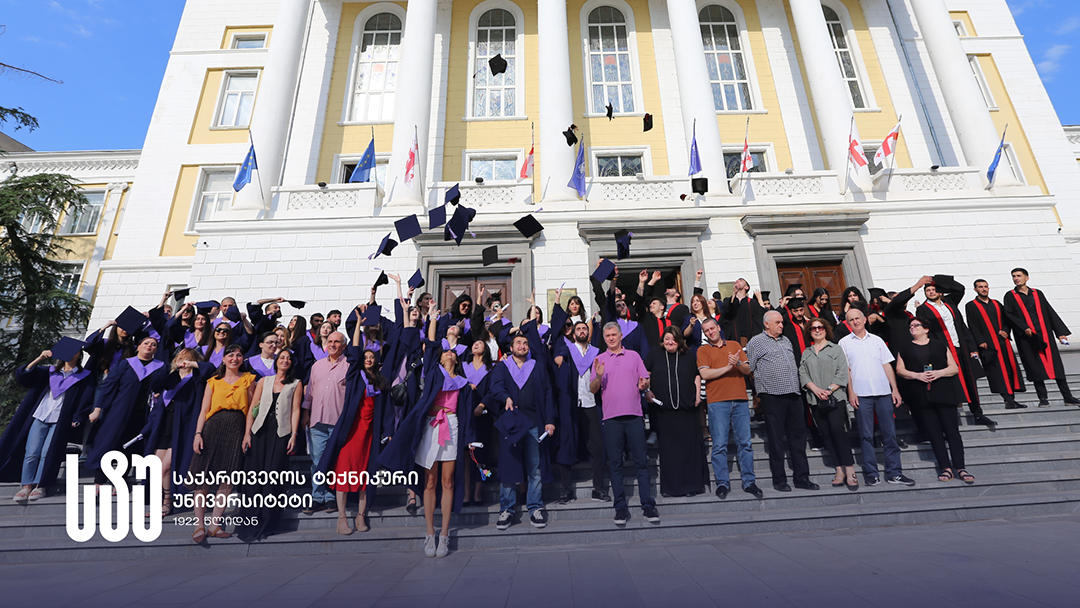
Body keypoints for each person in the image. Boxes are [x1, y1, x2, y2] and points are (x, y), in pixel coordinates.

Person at [379, 340, 475, 558]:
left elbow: (467, 413)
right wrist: (432, 318)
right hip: (432, 425)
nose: (449, 354)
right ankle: (430, 532)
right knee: (430, 481)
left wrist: (470, 437)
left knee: (448, 481)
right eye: (446, 352)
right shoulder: (434, 374)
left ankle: (444, 534)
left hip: (451, 425)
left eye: (453, 352)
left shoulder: (462, 382)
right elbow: (430, 348)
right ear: (440, 358)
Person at [1, 341, 95, 502]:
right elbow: (24, 375)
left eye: (74, 351)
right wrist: (39, 358)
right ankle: (26, 486)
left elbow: (85, 399)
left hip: (60, 419)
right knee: (32, 452)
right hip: (41, 415)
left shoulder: (83, 376)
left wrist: (77, 417)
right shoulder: (49, 372)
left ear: (79, 354)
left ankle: (40, 485)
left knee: (47, 453)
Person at [590, 322, 659, 526]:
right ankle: (620, 508)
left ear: (621, 336)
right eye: (607, 335)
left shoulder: (634, 356)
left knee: (641, 462)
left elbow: (644, 380)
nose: (611, 338)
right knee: (615, 464)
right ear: (604, 338)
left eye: (614, 334)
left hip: (634, 415)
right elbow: (593, 389)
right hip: (611, 418)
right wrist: (600, 375)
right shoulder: (599, 360)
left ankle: (648, 505)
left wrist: (645, 385)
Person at [838, 308, 915, 487]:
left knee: (890, 434)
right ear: (848, 323)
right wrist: (851, 392)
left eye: (858, 318)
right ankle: (871, 474)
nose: (855, 322)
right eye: (851, 320)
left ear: (865, 319)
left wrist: (894, 389)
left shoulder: (877, 340)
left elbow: (887, 365)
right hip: (861, 395)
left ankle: (894, 473)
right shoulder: (843, 343)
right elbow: (846, 371)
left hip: (883, 393)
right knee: (866, 436)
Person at [189, 344, 257, 543]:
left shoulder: (249, 380)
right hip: (212, 428)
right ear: (224, 359)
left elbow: (252, 410)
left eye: (238, 355)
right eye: (231, 355)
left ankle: (215, 524)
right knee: (203, 478)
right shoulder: (213, 382)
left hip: (236, 428)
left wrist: (247, 435)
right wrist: (197, 434)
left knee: (227, 479)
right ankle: (199, 524)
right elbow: (204, 410)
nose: (235, 358)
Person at [489, 333, 556, 531]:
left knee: (534, 467)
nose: (522, 345)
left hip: (534, 422)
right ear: (511, 348)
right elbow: (495, 387)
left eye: (525, 343)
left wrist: (550, 420)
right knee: (509, 465)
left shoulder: (537, 366)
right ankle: (507, 509)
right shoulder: (502, 366)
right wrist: (505, 397)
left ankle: (535, 507)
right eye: (518, 342)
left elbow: (547, 393)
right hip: (511, 422)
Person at [895, 318, 974, 484]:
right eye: (910, 326)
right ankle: (945, 467)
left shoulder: (939, 345)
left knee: (952, 432)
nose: (912, 328)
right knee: (934, 434)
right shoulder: (905, 348)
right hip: (921, 396)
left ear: (926, 329)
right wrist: (917, 375)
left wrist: (939, 373)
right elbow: (900, 370)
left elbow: (954, 368)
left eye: (916, 325)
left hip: (944, 393)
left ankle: (960, 467)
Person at [746, 311, 818, 492]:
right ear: (766, 324)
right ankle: (779, 480)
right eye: (777, 322)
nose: (781, 325)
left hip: (793, 394)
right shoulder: (756, 342)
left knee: (798, 438)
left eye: (782, 322)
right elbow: (750, 367)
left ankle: (802, 478)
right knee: (776, 440)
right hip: (772, 396)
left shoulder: (786, 340)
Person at [236, 348, 303, 541]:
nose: (285, 360)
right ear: (276, 361)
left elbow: (295, 410)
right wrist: (247, 434)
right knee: (254, 477)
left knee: (273, 477)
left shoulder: (296, 383)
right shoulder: (263, 381)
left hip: (280, 432)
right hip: (259, 432)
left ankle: (268, 522)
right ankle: (251, 522)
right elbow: (252, 409)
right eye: (282, 357)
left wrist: (293, 435)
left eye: (288, 358)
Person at [321, 348, 389, 537]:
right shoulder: (355, 376)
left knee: (365, 476)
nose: (368, 359)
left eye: (371, 357)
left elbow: (386, 410)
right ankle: (342, 518)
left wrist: (388, 431)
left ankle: (361, 515)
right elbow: (355, 353)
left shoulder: (381, 382)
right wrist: (359, 323)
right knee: (344, 474)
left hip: (370, 435)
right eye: (365, 357)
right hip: (351, 433)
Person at [914, 275, 996, 427]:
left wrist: (937, 279)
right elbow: (927, 333)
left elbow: (960, 289)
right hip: (943, 351)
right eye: (928, 290)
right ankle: (952, 417)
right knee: (949, 383)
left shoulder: (950, 303)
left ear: (940, 292)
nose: (931, 292)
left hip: (961, 347)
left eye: (934, 289)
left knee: (970, 380)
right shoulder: (923, 309)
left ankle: (977, 413)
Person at [86, 335, 167, 489]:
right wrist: (97, 409)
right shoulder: (125, 364)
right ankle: (99, 482)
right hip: (118, 412)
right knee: (107, 444)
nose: (149, 346)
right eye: (146, 343)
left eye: (154, 344)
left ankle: (120, 480)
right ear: (138, 346)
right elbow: (108, 387)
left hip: (141, 415)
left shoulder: (161, 367)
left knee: (130, 448)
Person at [140, 348, 214, 515]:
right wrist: (170, 367)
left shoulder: (197, 378)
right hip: (164, 423)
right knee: (157, 466)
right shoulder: (171, 377)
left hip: (183, 426)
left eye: (186, 356)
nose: (181, 358)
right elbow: (155, 384)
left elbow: (209, 368)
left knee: (167, 466)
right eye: (179, 356)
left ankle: (168, 502)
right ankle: (162, 500)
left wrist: (193, 364)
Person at [696, 317, 761, 499]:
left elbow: (748, 370)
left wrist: (738, 364)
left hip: (740, 399)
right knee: (719, 445)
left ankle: (749, 482)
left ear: (718, 327)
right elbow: (705, 373)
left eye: (712, 328)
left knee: (745, 444)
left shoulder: (734, 345)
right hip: (717, 401)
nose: (710, 332)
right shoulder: (703, 349)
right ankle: (722, 483)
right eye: (706, 330)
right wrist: (728, 367)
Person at [1003, 268, 1078, 406]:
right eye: (1013, 276)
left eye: (1019, 276)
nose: (1016, 278)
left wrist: (1060, 333)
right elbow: (1009, 315)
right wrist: (1023, 327)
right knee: (1035, 368)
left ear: (1027, 278)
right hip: (1027, 338)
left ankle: (1067, 397)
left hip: (1045, 335)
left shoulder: (1037, 293)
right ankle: (1043, 399)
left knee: (1056, 367)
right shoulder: (1010, 296)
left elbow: (1049, 311)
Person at [645, 327, 706, 497]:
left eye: (673, 339)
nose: (669, 342)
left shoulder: (688, 355)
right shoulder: (654, 354)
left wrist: (698, 395)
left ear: (679, 340)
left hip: (687, 409)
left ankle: (691, 487)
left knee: (688, 450)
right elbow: (645, 374)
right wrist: (647, 391)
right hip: (664, 412)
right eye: (666, 339)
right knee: (669, 452)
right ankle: (672, 488)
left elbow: (696, 375)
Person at [553, 320, 608, 502]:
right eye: (578, 329)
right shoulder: (567, 350)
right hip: (571, 404)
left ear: (589, 332)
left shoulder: (596, 353)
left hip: (591, 403)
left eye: (585, 328)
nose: (582, 331)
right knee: (566, 445)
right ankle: (565, 490)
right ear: (573, 333)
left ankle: (599, 488)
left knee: (597, 447)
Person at [799, 320, 857, 491]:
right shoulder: (806, 352)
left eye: (820, 327)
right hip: (815, 400)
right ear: (809, 332)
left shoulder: (835, 348)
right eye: (813, 328)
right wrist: (815, 389)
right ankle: (839, 470)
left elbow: (842, 371)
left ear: (826, 329)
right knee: (826, 435)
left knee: (838, 432)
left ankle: (850, 469)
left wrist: (828, 390)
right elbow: (802, 373)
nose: (817, 330)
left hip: (835, 398)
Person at [301, 331, 349, 514]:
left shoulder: (349, 366)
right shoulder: (317, 366)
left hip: (338, 421)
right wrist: (306, 413)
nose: (333, 344)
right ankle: (317, 496)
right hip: (317, 421)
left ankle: (331, 496)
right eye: (330, 341)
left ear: (344, 345)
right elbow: (310, 393)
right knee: (317, 460)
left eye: (337, 341)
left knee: (335, 461)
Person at [966, 279, 1026, 409]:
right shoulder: (971, 305)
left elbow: (1007, 320)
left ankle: (1011, 400)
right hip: (988, 345)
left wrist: (1005, 330)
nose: (984, 289)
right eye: (980, 287)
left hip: (1002, 342)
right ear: (975, 289)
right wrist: (980, 341)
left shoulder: (997, 304)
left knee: (1009, 370)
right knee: (997, 373)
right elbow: (972, 325)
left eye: (986, 286)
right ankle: (1007, 399)